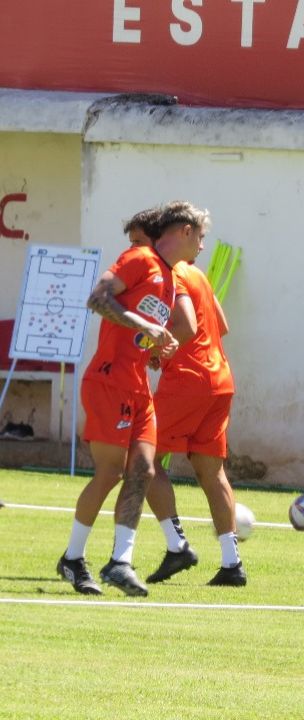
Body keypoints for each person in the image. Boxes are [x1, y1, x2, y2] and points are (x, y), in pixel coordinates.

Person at [56, 204, 195, 596]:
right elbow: (97, 299)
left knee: (144, 470)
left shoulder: (169, 277)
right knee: (110, 472)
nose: (130, 246)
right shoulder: (140, 259)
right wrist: (145, 325)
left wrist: (156, 344)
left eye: (136, 237)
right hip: (109, 381)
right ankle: (72, 558)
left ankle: (120, 561)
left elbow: (175, 324)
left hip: (137, 385)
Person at [142, 202, 246, 587]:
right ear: (184, 232)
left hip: (188, 379)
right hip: (220, 379)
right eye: (201, 238)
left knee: (143, 458)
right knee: (212, 471)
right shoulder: (199, 276)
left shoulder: (174, 274)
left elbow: (184, 326)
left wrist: (159, 351)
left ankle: (176, 545)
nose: (203, 247)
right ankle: (232, 563)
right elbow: (223, 325)